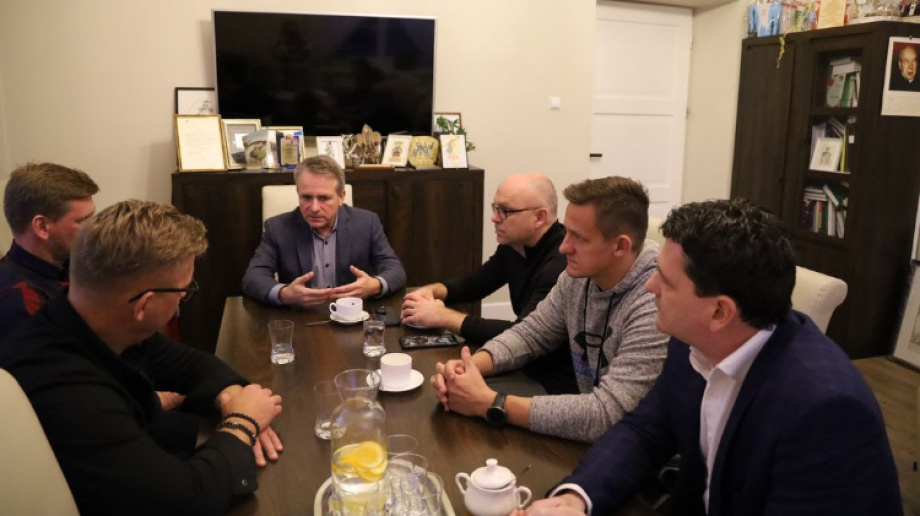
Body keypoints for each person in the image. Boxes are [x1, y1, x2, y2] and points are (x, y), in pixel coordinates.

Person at [522, 199, 901, 516]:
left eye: (666, 281)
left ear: (719, 312)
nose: (650, 286)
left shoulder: (826, 411)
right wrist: (575, 498)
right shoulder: (692, 340)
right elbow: (645, 431)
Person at [0, 200, 285, 515]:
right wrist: (243, 422)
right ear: (144, 305)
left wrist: (232, 396)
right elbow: (185, 501)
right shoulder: (66, 389)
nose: (183, 297)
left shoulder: (96, 318)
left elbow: (191, 363)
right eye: (183, 290)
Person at [430, 177, 668, 443]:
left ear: (620, 246)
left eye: (579, 238)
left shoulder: (654, 303)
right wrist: (468, 368)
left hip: (632, 446)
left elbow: (607, 414)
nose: (564, 247)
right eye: (567, 233)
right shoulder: (576, 278)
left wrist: (490, 403)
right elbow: (530, 333)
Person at [402, 173, 574, 394]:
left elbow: (523, 334)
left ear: (539, 217)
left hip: (550, 375)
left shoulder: (560, 265)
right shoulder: (515, 246)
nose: (494, 218)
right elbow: (475, 284)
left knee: (445, 389)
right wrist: (432, 291)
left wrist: (443, 316)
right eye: (495, 208)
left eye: (505, 211)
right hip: (523, 359)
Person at [242, 155, 406, 307]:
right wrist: (285, 294)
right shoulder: (278, 228)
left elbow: (395, 270)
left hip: (351, 315)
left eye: (324, 198)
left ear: (341, 196)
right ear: (298, 194)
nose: (314, 208)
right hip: (300, 316)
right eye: (306, 197)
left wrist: (374, 285)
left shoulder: (367, 223)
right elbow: (253, 277)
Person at [0, 162, 97, 342]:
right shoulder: (20, 302)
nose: (95, 229)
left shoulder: (72, 262)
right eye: (84, 221)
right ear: (42, 227)